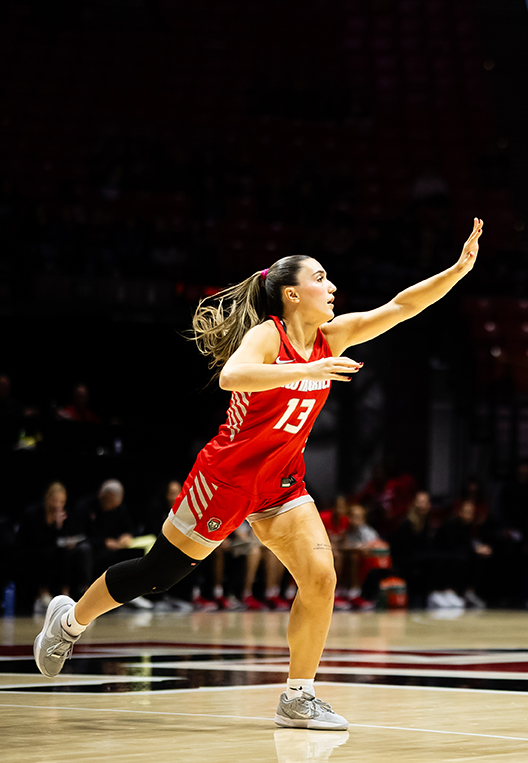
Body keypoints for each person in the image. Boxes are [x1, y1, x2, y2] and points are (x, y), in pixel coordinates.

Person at [33, 218, 485, 731]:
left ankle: (299, 696)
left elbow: (401, 307)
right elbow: (232, 376)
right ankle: (69, 621)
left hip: (281, 482)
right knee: (157, 575)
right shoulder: (267, 335)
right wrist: (306, 371)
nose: (332, 286)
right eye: (321, 278)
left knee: (321, 577)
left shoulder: (331, 336)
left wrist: (457, 270)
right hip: (225, 479)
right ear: (292, 294)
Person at [17, 483, 92, 615]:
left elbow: (66, 536)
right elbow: (35, 539)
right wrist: (53, 527)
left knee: (67, 553)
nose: (58, 505)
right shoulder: (34, 513)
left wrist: (60, 527)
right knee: (47, 554)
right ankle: (42, 595)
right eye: (55, 500)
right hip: (31, 550)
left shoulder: (64, 514)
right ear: (47, 498)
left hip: (55, 550)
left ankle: (66, 594)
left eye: (61, 501)